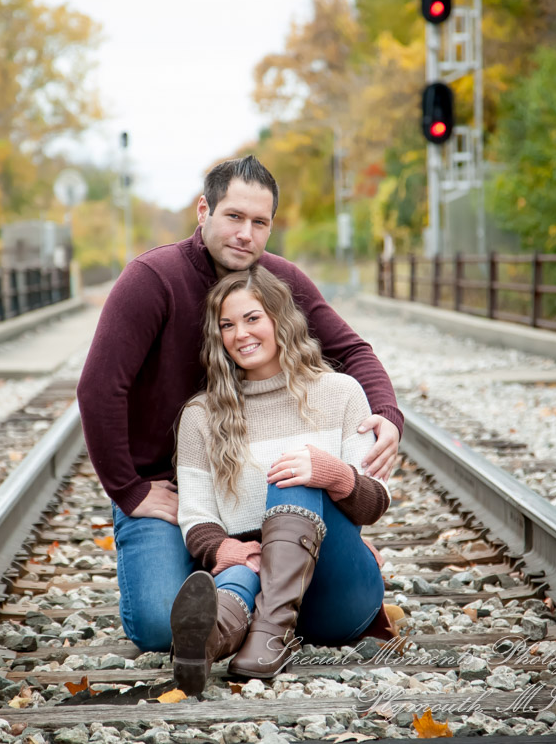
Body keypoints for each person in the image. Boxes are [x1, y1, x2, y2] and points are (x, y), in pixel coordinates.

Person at [77, 155, 403, 652]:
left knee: (295, 490)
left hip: (251, 486)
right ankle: (237, 592)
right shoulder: (151, 279)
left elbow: (352, 351)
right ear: (204, 210)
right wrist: (130, 490)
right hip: (167, 491)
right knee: (159, 628)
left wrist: (388, 416)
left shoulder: (277, 282)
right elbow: (99, 389)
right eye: (234, 217)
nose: (245, 234)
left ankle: (258, 598)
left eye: (260, 222)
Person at [170, 266, 396, 693]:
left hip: (338, 590)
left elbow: (376, 502)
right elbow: (196, 518)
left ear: (280, 319)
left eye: (252, 318)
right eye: (227, 325)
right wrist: (226, 548)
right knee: (241, 571)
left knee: (294, 473)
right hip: (255, 575)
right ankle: (204, 643)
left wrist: (330, 473)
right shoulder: (200, 416)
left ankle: (270, 631)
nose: (240, 334)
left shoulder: (341, 392)